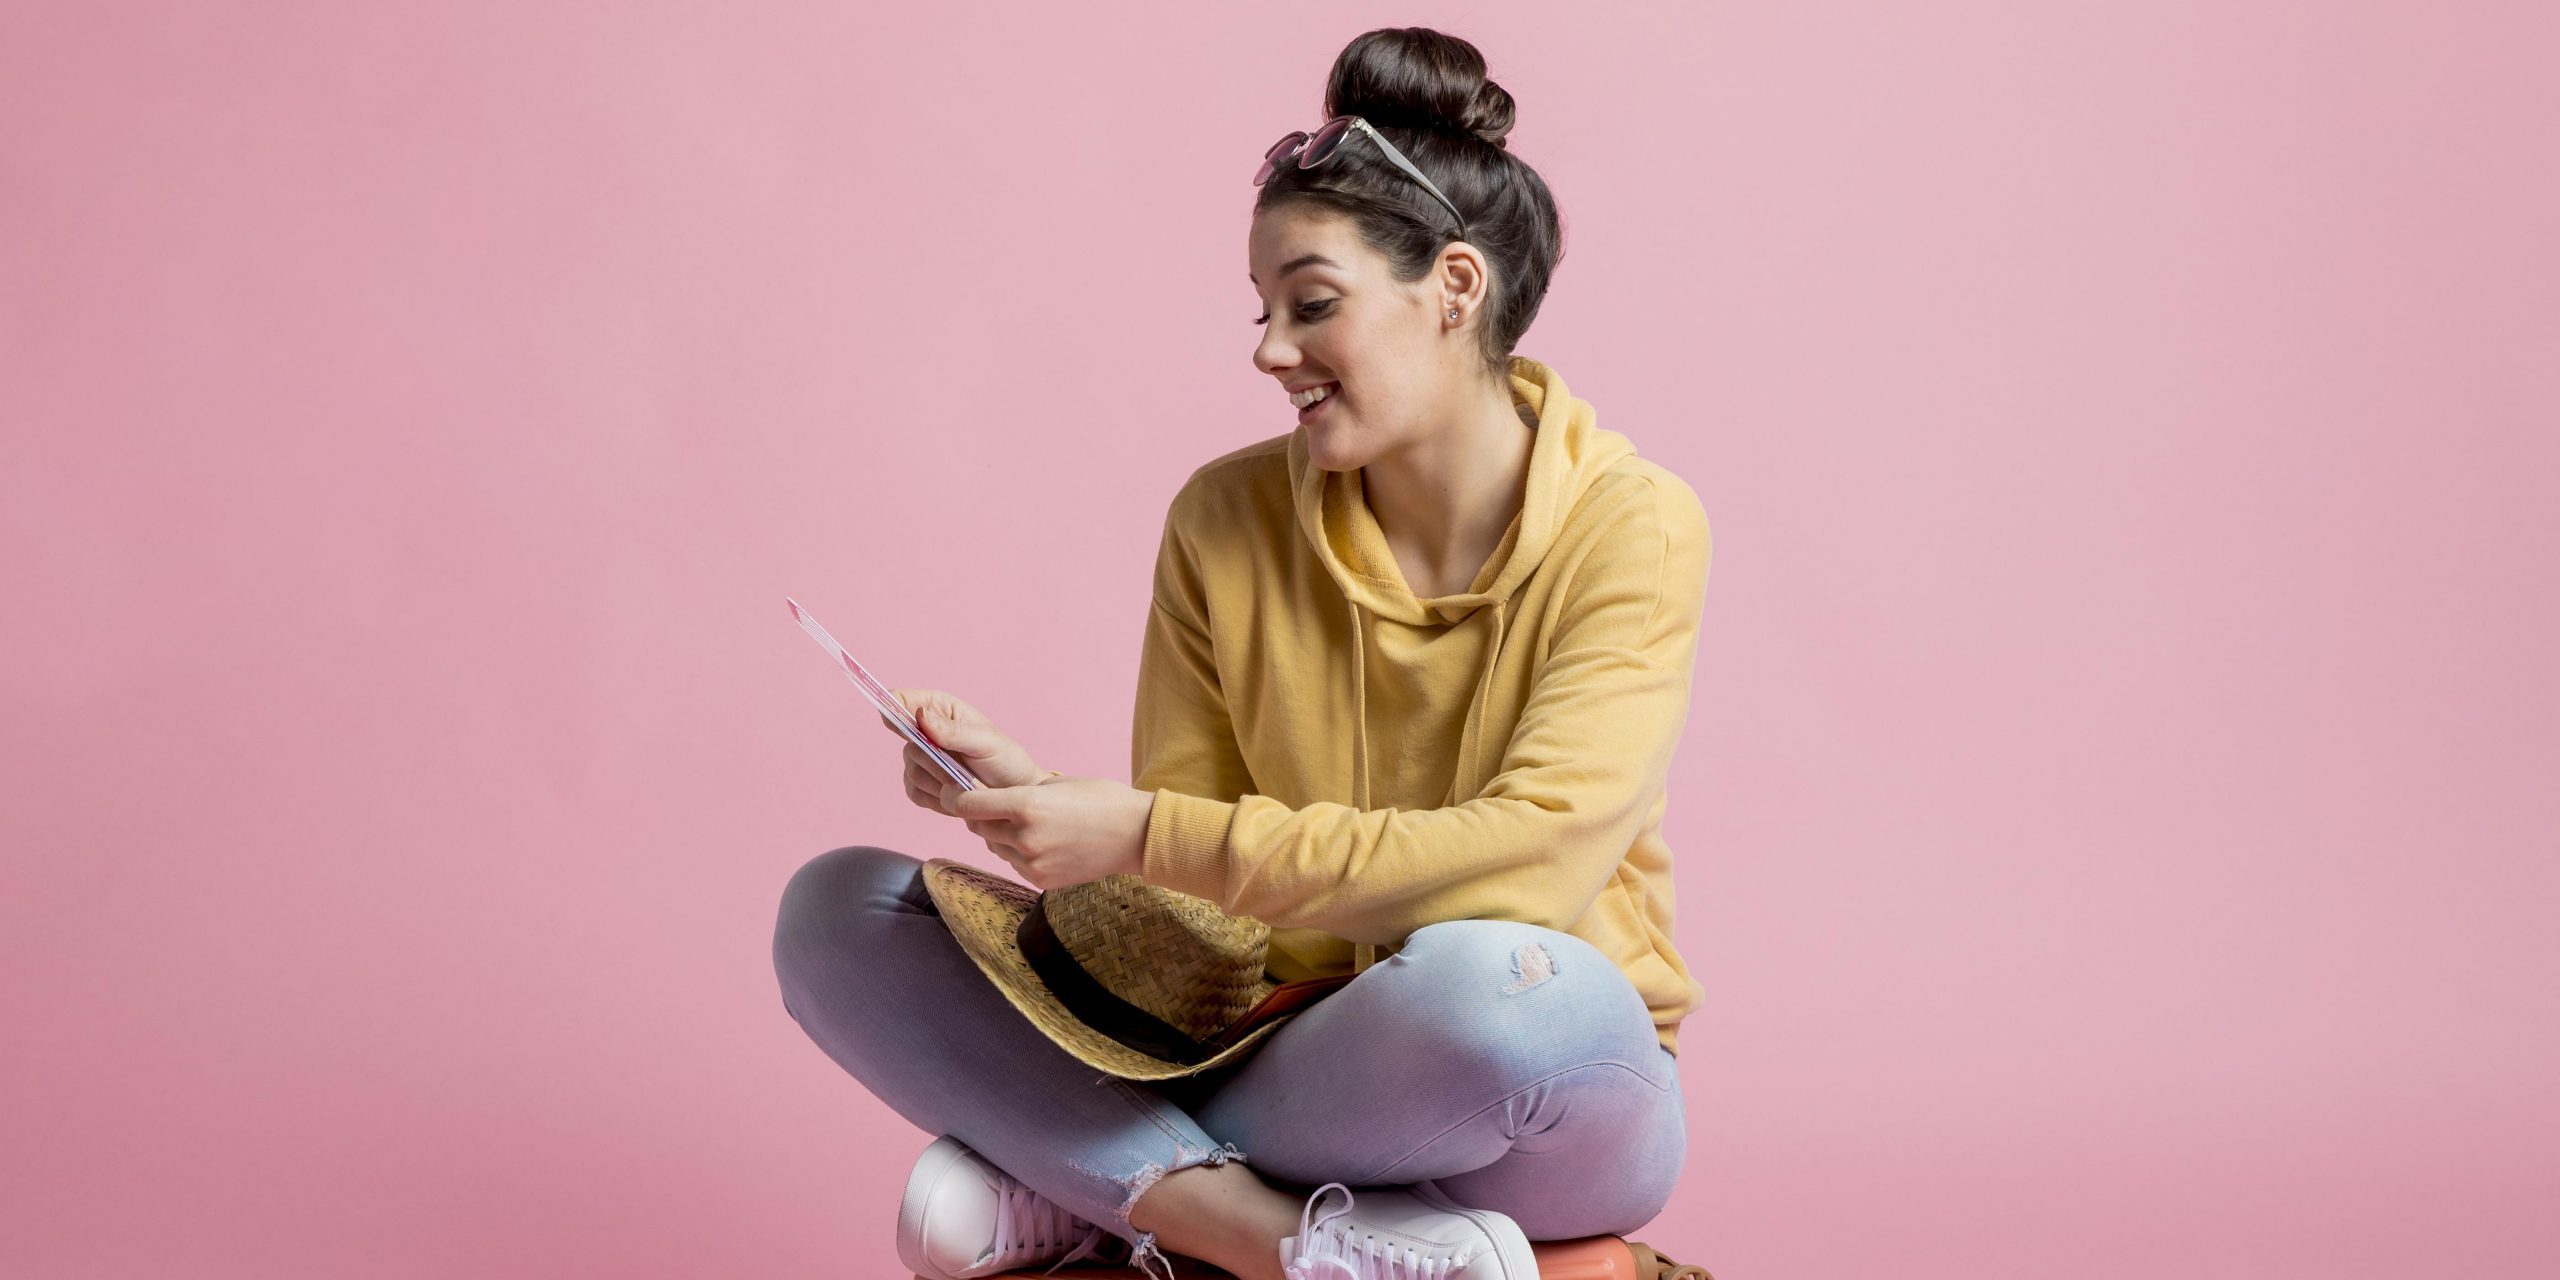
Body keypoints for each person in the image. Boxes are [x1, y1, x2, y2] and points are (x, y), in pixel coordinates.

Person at [773, 26, 1711, 1280]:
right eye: (1263, 311)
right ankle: (1281, 1238)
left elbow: (1531, 866)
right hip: (1284, 1056)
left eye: (1312, 304)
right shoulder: (1221, 519)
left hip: (1546, 1084)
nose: (1270, 350)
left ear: (1455, 286)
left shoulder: (1633, 522)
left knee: (1499, 988)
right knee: (836, 912)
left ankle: (1096, 1177)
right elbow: (1196, 925)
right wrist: (1043, 803)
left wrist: (1136, 828)